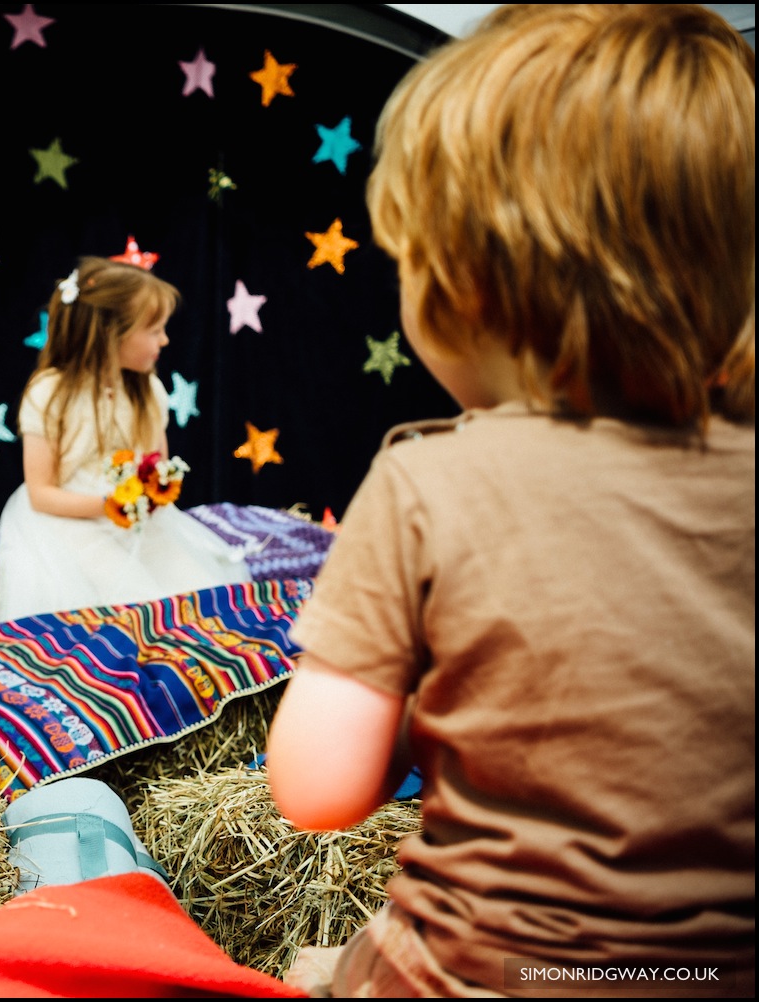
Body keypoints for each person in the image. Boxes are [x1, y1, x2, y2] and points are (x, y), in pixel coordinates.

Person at [267, 4, 754, 996]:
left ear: (467, 285)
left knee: (322, 968)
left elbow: (317, 789)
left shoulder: (428, 480)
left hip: (480, 973)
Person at [0, 257, 249, 623]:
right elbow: (41, 493)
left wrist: (154, 492)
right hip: (68, 519)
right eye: (155, 330)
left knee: (198, 598)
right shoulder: (49, 394)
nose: (165, 339)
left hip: (133, 519)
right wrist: (110, 505)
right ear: (112, 334)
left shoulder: (149, 392)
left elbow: (159, 467)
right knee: (130, 607)